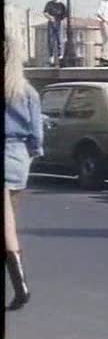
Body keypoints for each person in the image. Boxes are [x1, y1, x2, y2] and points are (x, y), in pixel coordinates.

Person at [4, 26, 44, 310]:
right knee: (9, 222)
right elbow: (37, 135)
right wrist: (31, 155)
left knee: (7, 229)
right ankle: (20, 286)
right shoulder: (27, 91)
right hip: (18, 157)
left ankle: (21, 286)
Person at [43, 0, 67, 67]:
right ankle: (51, 57)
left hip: (59, 23)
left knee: (60, 40)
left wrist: (61, 21)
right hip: (51, 22)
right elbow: (45, 12)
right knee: (51, 40)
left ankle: (60, 57)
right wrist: (50, 17)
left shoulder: (62, 5)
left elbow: (64, 15)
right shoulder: (49, 4)